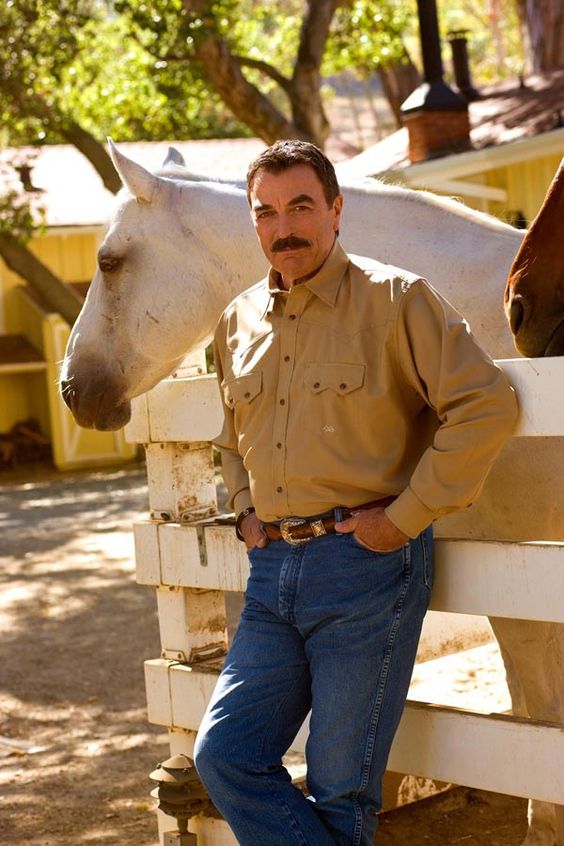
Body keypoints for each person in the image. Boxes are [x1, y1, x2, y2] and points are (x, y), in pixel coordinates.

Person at [194, 140, 518, 846]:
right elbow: (229, 433)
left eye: (302, 205)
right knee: (224, 757)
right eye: (267, 212)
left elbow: (486, 405)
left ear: (337, 211)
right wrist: (245, 506)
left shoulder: (397, 299)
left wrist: (403, 520)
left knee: (341, 788)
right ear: (254, 224)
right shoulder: (237, 319)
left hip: (365, 567)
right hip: (272, 573)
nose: (285, 226)